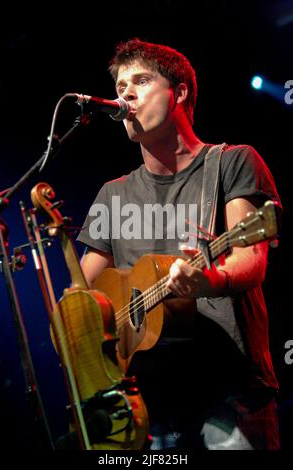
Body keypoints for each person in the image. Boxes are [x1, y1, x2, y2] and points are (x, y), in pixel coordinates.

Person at [77, 38, 282, 450]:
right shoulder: (111, 195)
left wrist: (208, 281)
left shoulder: (234, 162)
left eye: (141, 81)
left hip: (226, 390)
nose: (126, 95)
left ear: (180, 92)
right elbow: (82, 300)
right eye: (120, 88)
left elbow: (250, 259)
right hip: (144, 401)